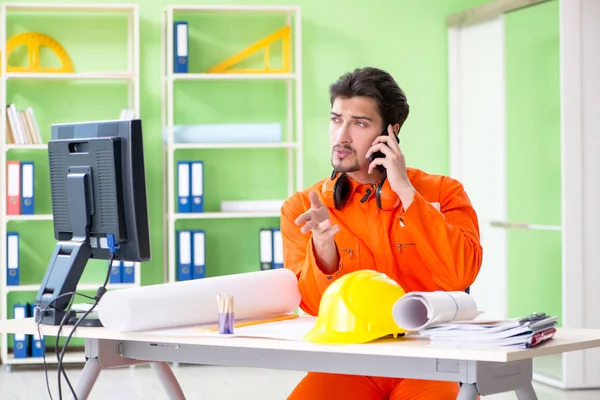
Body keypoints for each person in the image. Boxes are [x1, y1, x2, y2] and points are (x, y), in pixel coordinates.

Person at [280, 67, 483, 400]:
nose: (341, 136)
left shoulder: (444, 192)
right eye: (335, 120)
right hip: (349, 363)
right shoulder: (303, 207)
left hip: (430, 361)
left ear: (391, 132)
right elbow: (315, 308)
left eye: (359, 123)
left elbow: (459, 276)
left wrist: (406, 192)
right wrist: (323, 246)